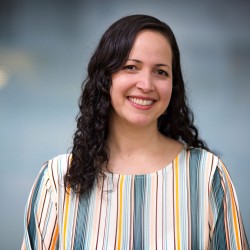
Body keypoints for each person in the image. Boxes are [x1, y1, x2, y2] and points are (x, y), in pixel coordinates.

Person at [22, 14, 249, 249]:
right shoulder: (57, 180)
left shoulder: (207, 174)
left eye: (160, 72)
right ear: (105, 78)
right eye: (131, 67)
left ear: (174, 85)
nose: (146, 85)